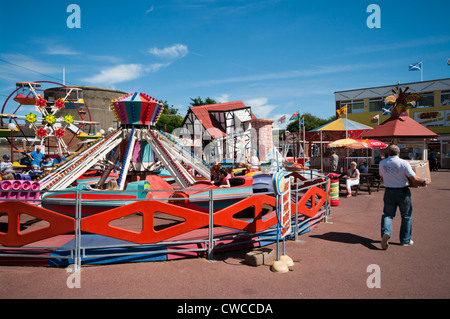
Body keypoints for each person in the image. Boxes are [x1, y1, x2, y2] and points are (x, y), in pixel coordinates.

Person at [378, 144, 429, 250]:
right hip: (402, 191)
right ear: (399, 152)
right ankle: (405, 240)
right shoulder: (403, 163)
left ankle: (386, 233)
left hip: (389, 191)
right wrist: (424, 181)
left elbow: (382, 176)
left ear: (388, 153)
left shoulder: (382, 163)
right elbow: (414, 178)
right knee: (406, 216)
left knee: (388, 214)